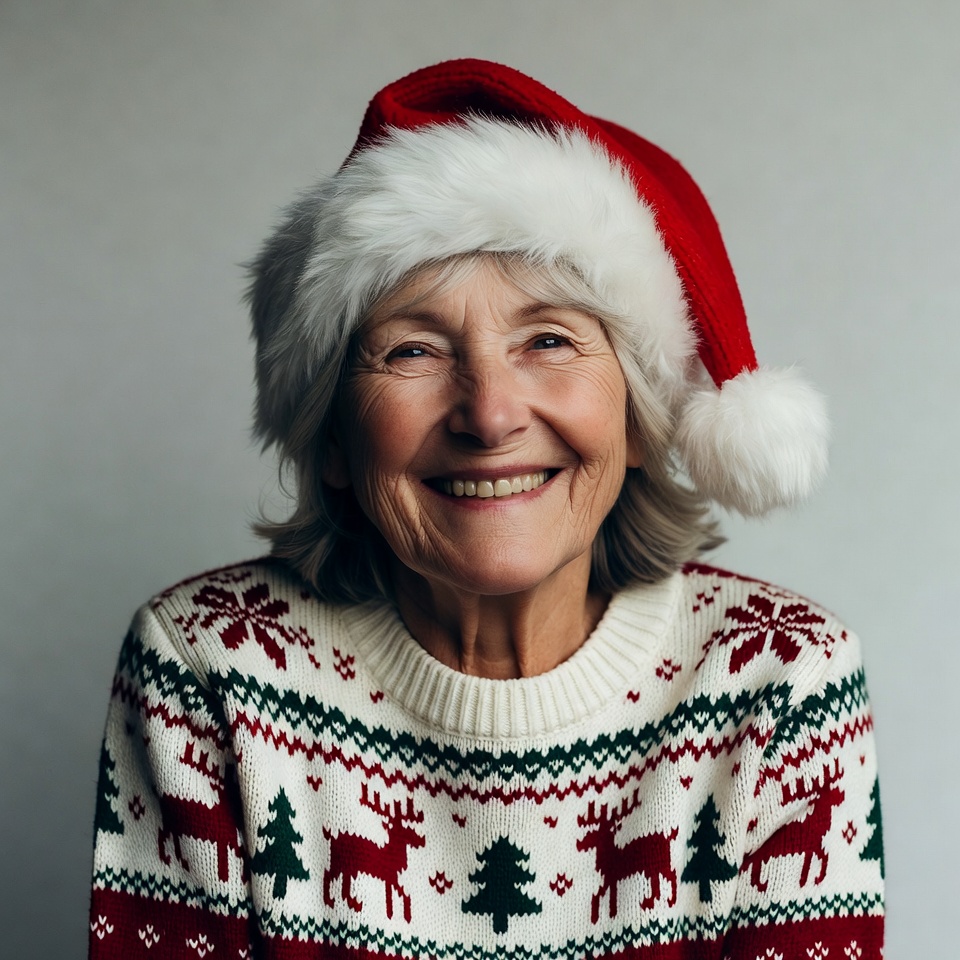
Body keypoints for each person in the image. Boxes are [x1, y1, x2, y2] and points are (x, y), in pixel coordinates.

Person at [88, 60, 884, 959]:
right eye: (414, 351)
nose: (491, 413)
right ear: (338, 441)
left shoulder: (781, 683)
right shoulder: (204, 667)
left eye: (549, 339)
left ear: (637, 420)